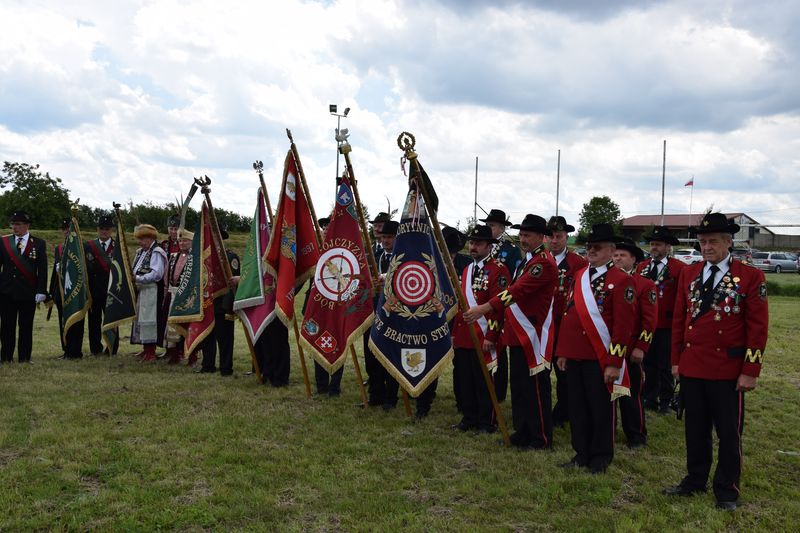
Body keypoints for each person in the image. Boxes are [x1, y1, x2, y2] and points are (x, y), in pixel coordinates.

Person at [664, 213, 768, 511]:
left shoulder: (750, 276)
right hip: (693, 365)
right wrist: (676, 361)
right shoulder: (690, 272)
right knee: (695, 429)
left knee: (728, 432)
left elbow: (758, 329)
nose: (706, 247)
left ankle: (726, 489)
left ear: (728, 242)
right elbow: (680, 320)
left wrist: (750, 371)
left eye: (712, 241)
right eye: (702, 242)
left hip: (727, 369)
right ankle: (695, 479)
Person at [465, 214, 556, 450]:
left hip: (532, 334)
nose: (522, 239)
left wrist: (485, 307)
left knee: (535, 388)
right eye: (521, 234)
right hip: (517, 332)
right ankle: (523, 430)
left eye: (527, 235)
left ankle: (540, 437)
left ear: (541, 237)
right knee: (520, 386)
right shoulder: (529, 260)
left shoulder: (543, 262)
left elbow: (516, 291)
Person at [556, 223, 635, 473]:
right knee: (577, 407)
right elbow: (569, 315)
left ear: (612, 251)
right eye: (589, 246)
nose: (591, 251)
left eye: (597, 247)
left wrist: (614, 362)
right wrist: (564, 351)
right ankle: (581, 453)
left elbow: (623, 327)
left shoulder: (622, 280)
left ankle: (601, 456)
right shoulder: (579, 276)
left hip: (600, 356)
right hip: (576, 353)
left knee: (600, 408)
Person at [450, 225, 509, 432]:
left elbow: (498, 306)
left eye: (478, 243)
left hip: (484, 335)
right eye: (472, 243)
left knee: (485, 381)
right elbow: (461, 306)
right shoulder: (467, 270)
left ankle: (486, 421)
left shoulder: (499, 270)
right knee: (466, 380)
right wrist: (455, 335)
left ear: (488, 246)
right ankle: (469, 417)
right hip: (465, 335)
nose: (473, 247)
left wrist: (491, 336)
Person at [613, 237, 658, 448]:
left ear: (634, 260)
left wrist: (642, 347)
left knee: (630, 394)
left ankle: (636, 435)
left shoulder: (645, 285)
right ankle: (607, 431)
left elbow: (650, 322)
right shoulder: (604, 281)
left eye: (623, 255)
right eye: (615, 254)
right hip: (606, 349)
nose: (618, 258)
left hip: (630, 350)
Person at [635, 226, 685, 413]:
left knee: (665, 364)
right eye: (652, 244)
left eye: (658, 244)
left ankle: (666, 399)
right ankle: (649, 397)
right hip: (647, 325)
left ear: (668, 247)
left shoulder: (679, 268)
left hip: (667, 324)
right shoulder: (642, 267)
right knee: (648, 363)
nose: (654, 248)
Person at [546, 215, 587, 428]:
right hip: (541, 327)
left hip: (564, 327)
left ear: (566, 238)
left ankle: (564, 412)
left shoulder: (578, 263)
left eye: (559, 236)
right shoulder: (539, 260)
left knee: (565, 374)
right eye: (550, 236)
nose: (554, 241)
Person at [479, 208, 523, 404]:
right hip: (481, 302)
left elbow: (514, 279)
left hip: (503, 302)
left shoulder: (511, 251)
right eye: (487, 225)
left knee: (499, 345)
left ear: (503, 228)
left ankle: (499, 389)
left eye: (493, 225)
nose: (489, 228)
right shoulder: (484, 248)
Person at [0, 211, 48, 364]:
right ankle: (6, 357)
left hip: (28, 292)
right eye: (13, 224)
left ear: (27, 226)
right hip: (7, 291)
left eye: (18, 224)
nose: (15, 227)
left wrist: (41, 290)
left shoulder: (39, 243)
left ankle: (24, 358)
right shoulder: (4, 242)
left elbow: (43, 269)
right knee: (7, 326)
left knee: (26, 326)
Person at [364, 220, 400, 410]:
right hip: (372, 310)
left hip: (394, 314)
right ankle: (375, 394)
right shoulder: (373, 256)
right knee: (372, 355)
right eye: (384, 237)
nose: (386, 240)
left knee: (390, 356)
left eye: (390, 237)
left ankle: (390, 397)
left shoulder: (403, 259)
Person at [199, 226, 241, 376]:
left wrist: (229, 305)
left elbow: (232, 282)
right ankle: (207, 365)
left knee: (225, 338)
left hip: (223, 303)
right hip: (207, 302)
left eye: (216, 238)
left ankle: (226, 368)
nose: (213, 241)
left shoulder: (230, 257)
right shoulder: (204, 257)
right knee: (207, 336)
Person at [311, 216, 344, 395]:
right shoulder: (315, 251)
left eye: (328, 228)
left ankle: (334, 386)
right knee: (317, 340)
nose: (325, 230)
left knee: (338, 344)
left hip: (338, 306)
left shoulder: (342, 253)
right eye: (323, 227)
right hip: (317, 306)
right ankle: (321, 386)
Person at [442, 225, 472, 414]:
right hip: (437, 316)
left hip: (460, 318)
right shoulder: (432, 262)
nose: (451, 257)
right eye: (447, 252)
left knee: (461, 363)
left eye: (453, 253)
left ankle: (463, 400)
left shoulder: (467, 264)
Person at [130, 223, 167, 362]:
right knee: (141, 319)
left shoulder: (157, 252)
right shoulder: (141, 252)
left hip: (151, 290)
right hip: (141, 290)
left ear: (150, 239)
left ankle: (151, 351)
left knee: (149, 320)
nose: (140, 242)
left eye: (142, 239)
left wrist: (138, 278)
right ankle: (145, 348)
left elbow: (156, 274)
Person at [85, 214, 118, 355]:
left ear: (111, 230)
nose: (104, 231)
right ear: (97, 229)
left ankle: (112, 348)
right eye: (102, 228)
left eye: (107, 229)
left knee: (112, 321)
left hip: (112, 290)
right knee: (94, 321)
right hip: (93, 290)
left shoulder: (117, 247)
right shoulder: (88, 246)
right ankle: (95, 349)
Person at [164, 228, 194, 365]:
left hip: (187, 297)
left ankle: (191, 355)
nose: (182, 243)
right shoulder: (173, 256)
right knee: (172, 324)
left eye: (185, 240)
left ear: (192, 242)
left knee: (187, 326)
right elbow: (167, 277)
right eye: (180, 240)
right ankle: (174, 353)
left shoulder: (195, 258)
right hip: (173, 294)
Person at [48, 218, 71, 359]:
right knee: (62, 321)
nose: (66, 231)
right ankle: (65, 349)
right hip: (60, 290)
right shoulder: (59, 249)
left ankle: (74, 349)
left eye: (69, 229)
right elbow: (53, 275)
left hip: (74, 290)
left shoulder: (82, 247)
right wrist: (51, 292)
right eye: (64, 229)